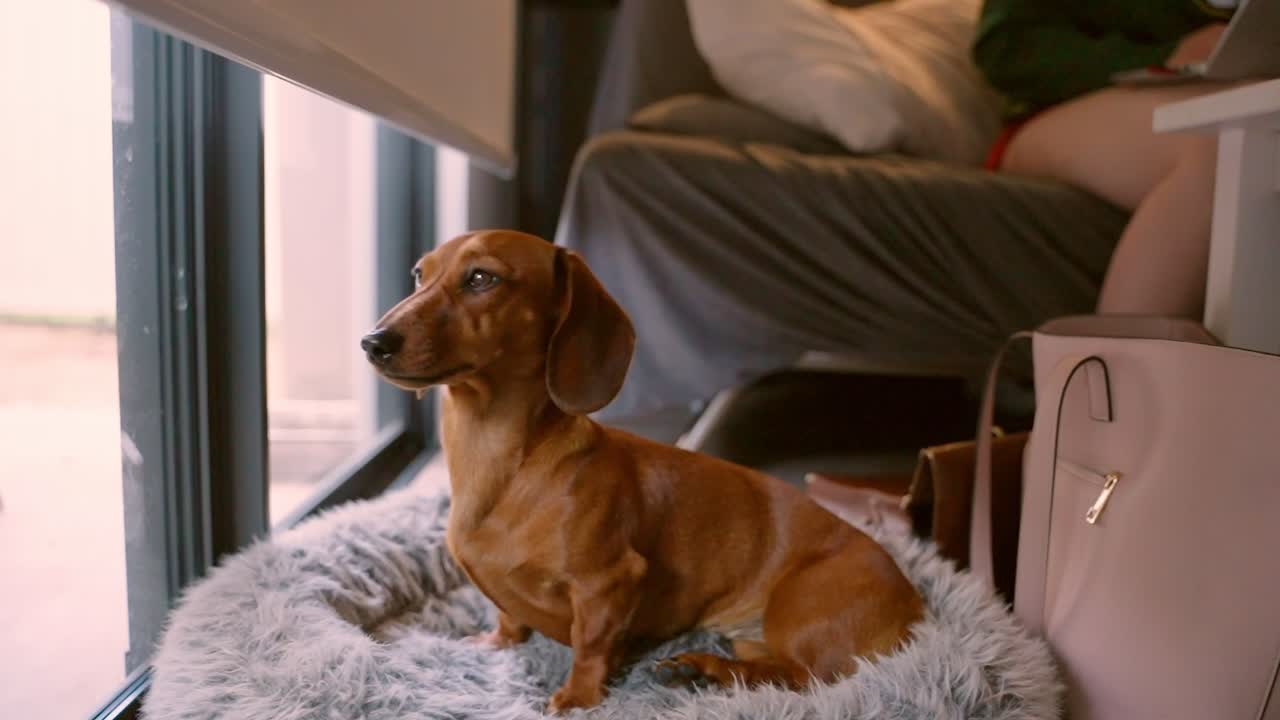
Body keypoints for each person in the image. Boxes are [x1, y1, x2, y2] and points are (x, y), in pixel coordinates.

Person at [972, 0, 1239, 318]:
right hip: (1057, 112)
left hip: (1218, 95)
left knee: (1252, 132)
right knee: (1229, 149)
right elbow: (1005, 48)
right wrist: (1163, 56)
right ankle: (1115, 366)